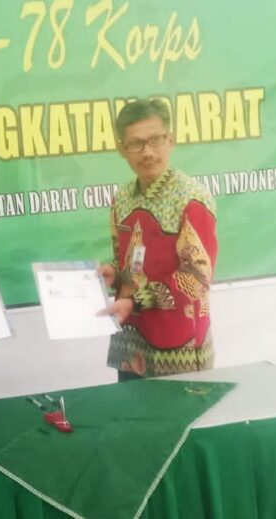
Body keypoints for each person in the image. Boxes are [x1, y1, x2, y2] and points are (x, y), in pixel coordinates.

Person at [98, 99, 218, 381]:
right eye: (136, 144)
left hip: (178, 349)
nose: (147, 152)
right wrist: (114, 274)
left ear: (170, 140)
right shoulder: (122, 198)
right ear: (121, 149)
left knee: (178, 410)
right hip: (131, 344)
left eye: (155, 140)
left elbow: (196, 278)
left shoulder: (191, 199)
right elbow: (131, 265)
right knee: (129, 409)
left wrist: (136, 301)